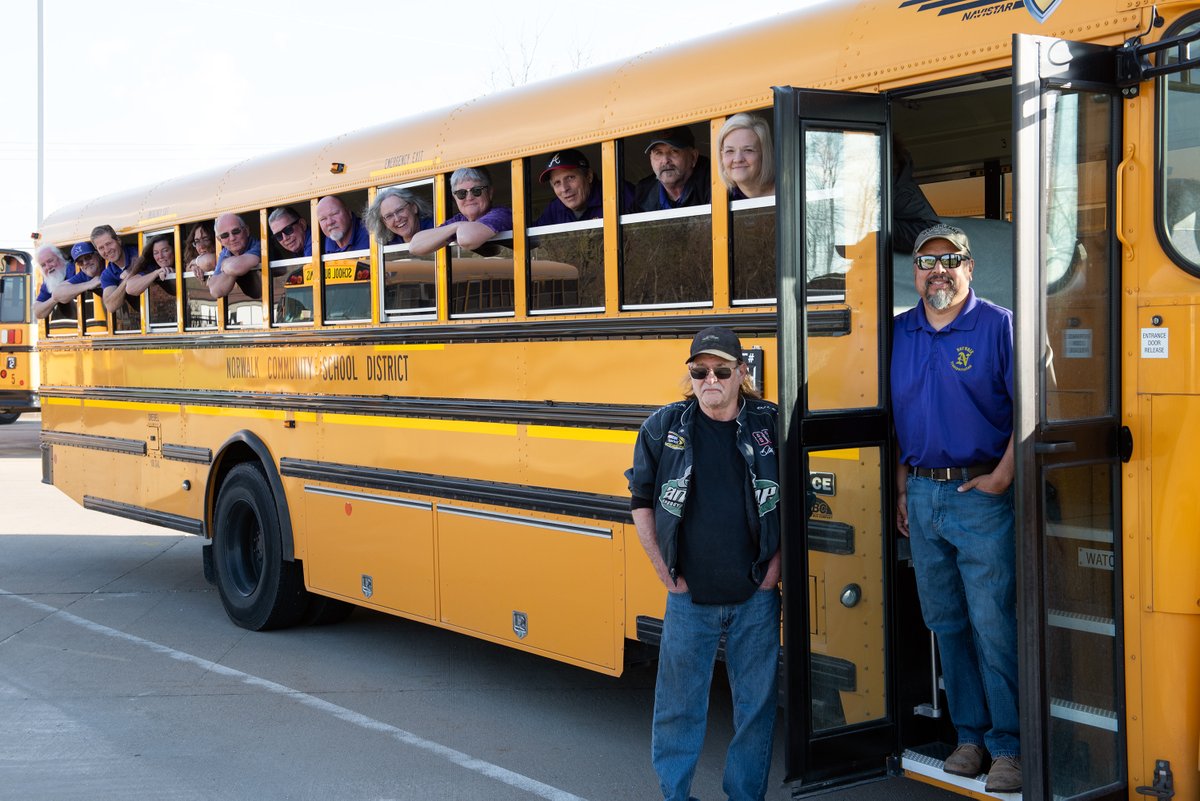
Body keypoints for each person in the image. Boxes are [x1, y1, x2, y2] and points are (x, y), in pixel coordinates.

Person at [626, 326, 781, 801]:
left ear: (741, 373)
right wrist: (663, 571)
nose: (709, 379)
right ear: (690, 375)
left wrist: (775, 570)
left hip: (755, 594)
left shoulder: (772, 424)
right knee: (679, 707)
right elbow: (641, 501)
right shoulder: (663, 427)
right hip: (690, 597)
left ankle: (745, 795)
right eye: (699, 371)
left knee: (755, 710)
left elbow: (797, 499)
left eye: (721, 370)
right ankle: (676, 795)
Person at [891, 224, 1020, 794]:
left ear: (971, 268)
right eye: (927, 261)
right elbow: (886, 417)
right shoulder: (899, 331)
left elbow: (1033, 409)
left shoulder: (998, 325)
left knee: (994, 623)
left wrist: (1002, 477)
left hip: (979, 495)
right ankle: (970, 737)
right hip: (921, 495)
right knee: (947, 624)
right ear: (915, 271)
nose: (938, 271)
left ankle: (1010, 747)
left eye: (951, 260)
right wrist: (901, 488)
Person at [409, 166, 513, 256]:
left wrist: (455, 228)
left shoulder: (502, 214)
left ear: (489, 193)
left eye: (476, 190)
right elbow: (414, 246)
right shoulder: (460, 220)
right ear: (455, 198)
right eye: (461, 193)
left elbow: (466, 239)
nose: (469, 197)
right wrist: (457, 226)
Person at [632, 127, 711, 212]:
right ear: (650, 159)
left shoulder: (712, 181)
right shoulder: (643, 193)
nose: (665, 161)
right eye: (658, 153)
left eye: (674, 151)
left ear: (693, 157)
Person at [202, 213, 262, 300]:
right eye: (225, 235)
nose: (232, 238)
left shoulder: (258, 245)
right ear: (220, 240)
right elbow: (215, 291)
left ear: (247, 231)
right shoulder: (225, 252)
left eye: (236, 231)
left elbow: (233, 267)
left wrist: (225, 264)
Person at [717, 114, 774, 199]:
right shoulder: (723, 199)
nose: (738, 159)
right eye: (730, 151)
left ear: (764, 154)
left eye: (748, 150)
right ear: (721, 157)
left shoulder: (790, 190)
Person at [90, 224, 140, 313]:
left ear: (118, 240)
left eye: (108, 244)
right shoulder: (107, 274)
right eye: (101, 248)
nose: (107, 250)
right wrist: (127, 278)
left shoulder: (139, 252)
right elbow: (110, 306)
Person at [364, 187, 434, 245]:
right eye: (389, 216)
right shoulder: (389, 245)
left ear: (414, 208)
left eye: (400, 210)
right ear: (385, 223)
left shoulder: (435, 227)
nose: (397, 219)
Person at [53, 242, 106, 306]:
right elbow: (57, 294)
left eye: (88, 257)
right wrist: (89, 284)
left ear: (98, 255)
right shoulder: (84, 276)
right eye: (80, 262)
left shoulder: (110, 266)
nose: (85, 263)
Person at [33, 245, 75, 319]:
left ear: (61, 258)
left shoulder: (73, 269)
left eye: (50, 261)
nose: (48, 267)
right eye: (43, 265)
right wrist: (54, 298)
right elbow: (37, 313)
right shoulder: (50, 281)